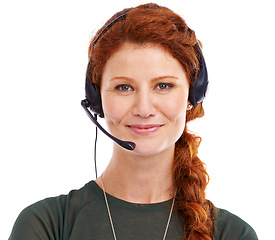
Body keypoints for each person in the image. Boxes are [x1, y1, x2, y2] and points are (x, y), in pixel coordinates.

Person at [9, 3, 258, 240]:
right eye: (124, 87)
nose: (144, 109)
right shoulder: (47, 224)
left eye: (164, 85)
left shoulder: (232, 233)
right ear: (97, 100)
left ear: (192, 95)